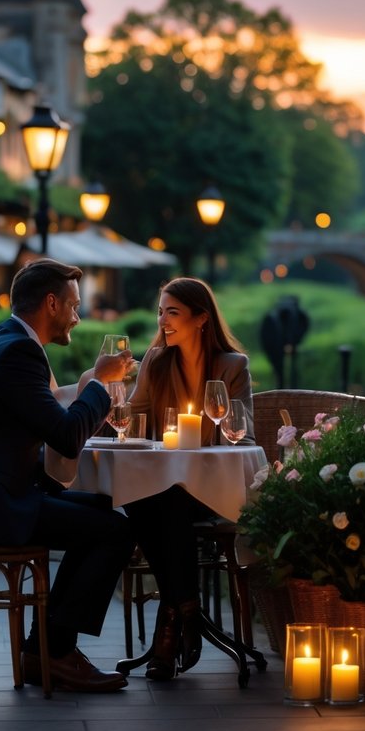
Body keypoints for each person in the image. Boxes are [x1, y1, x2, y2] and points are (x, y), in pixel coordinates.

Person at [0, 257, 136, 693]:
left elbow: (40, 407)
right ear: (51, 304)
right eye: (74, 307)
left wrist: (87, 386)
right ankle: (53, 652)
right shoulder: (18, 352)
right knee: (112, 531)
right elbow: (64, 437)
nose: (78, 317)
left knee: (103, 510)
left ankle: (43, 648)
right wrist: (100, 384)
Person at [125, 277, 256, 681]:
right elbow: (134, 420)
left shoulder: (233, 366)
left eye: (173, 312)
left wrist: (210, 438)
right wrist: (109, 394)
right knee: (143, 498)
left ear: (201, 318)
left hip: (214, 489)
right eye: (161, 311)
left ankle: (173, 620)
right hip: (169, 489)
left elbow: (243, 434)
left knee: (165, 499)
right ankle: (183, 609)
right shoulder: (155, 361)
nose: (163, 320)